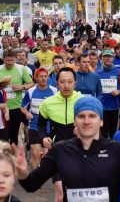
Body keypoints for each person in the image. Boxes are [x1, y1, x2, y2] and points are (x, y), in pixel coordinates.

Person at [16, 96, 120, 201]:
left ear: (101, 121)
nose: (86, 121)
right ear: (75, 120)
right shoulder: (60, 150)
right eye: (81, 116)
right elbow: (31, 185)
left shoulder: (118, 150)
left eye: (92, 116)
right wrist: (22, 173)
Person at [38, 67, 83, 201]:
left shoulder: (83, 101)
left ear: (75, 83)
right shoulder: (48, 103)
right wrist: (43, 138)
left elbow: (97, 127)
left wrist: (82, 130)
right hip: (57, 153)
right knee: (61, 194)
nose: (66, 85)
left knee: (76, 194)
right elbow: (40, 125)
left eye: (70, 82)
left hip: (80, 152)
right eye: (62, 82)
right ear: (56, 83)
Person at [0, 48, 34, 144]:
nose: (10, 63)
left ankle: (13, 156)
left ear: (15, 59)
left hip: (16, 107)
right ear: (3, 59)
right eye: (7, 60)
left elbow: (31, 83)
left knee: (14, 136)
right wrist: (0, 85)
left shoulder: (21, 69)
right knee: (3, 136)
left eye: (12, 60)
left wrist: (22, 87)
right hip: (2, 108)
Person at [21, 68, 57, 168]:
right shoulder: (31, 91)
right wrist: (27, 113)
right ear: (36, 78)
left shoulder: (54, 91)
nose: (43, 78)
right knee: (35, 154)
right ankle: (35, 179)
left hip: (49, 127)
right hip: (34, 126)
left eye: (45, 76)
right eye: (40, 76)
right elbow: (22, 107)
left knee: (46, 155)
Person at [97, 49, 120, 138]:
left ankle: (112, 149)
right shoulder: (97, 73)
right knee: (104, 132)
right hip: (102, 107)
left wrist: (119, 91)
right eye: (105, 57)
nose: (107, 59)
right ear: (101, 59)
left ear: (113, 58)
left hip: (114, 106)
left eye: (109, 57)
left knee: (113, 132)